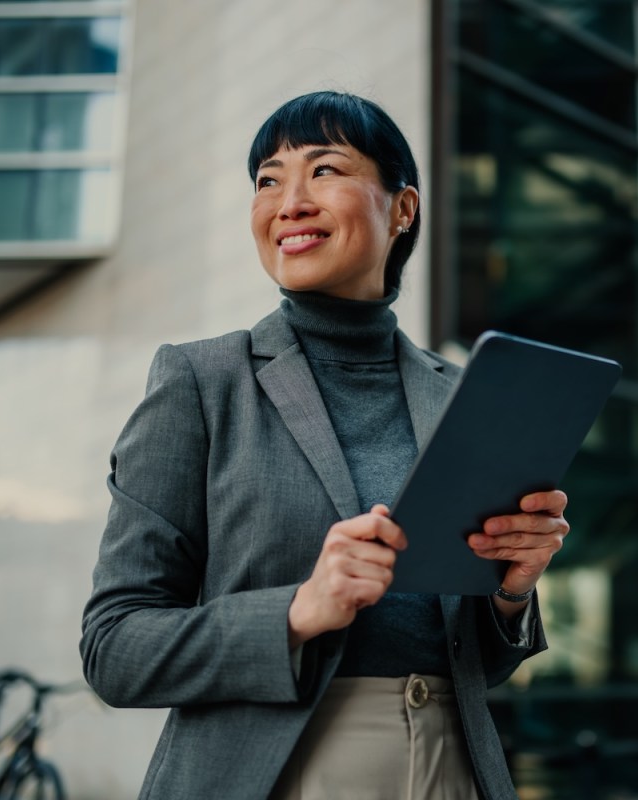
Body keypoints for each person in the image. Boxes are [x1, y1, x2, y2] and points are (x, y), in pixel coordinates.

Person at [80, 91, 570, 800]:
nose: (290, 202)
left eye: (326, 170)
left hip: (453, 767)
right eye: (269, 180)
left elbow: (474, 665)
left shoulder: (460, 396)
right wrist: (295, 611)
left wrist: (511, 594)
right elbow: (113, 650)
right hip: (272, 774)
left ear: (403, 210)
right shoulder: (200, 381)